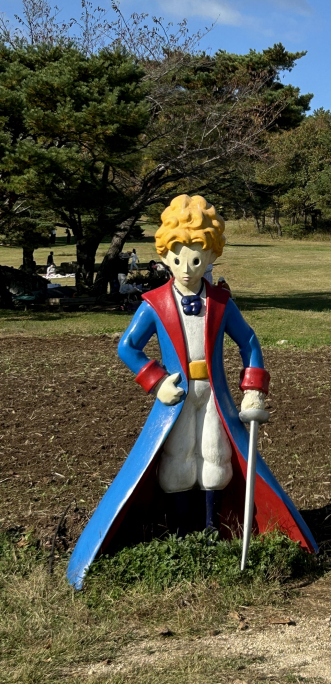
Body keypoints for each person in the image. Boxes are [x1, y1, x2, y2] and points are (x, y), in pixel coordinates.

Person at [67, 194, 315, 589]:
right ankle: (181, 534)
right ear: (165, 256)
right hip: (178, 397)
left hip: (214, 395)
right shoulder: (154, 303)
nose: (187, 269)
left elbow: (249, 342)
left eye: (196, 260)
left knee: (215, 457)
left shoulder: (221, 302)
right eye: (179, 259)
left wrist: (253, 389)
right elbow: (128, 347)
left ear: (211, 256)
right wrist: (156, 380)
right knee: (178, 458)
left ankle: (211, 530)